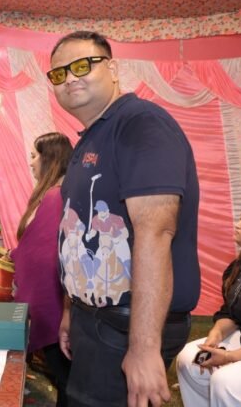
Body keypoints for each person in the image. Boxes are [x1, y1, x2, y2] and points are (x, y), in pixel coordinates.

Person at [49, 31, 200, 407]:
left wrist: (144, 348)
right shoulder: (92, 136)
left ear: (113, 69)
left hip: (127, 324)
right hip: (95, 318)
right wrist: (72, 310)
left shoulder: (140, 123)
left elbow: (157, 231)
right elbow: (74, 234)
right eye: (59, 73)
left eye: (82, 66)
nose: (70, 78)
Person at [176, 201, 241, 406]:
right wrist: (215, 336)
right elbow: (230, 314)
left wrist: (229, 357)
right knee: (190, 360)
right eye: (240, 219)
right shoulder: (238, 267)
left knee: (225, 381)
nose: (237, 225)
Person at [10, 132, 72, 407]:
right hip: (54, 300)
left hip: (53, 302)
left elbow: (44, 255)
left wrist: (18, 258)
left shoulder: (55, 196)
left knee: (66, 377)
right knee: (64, 377)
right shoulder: (57, 193)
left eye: (34, 156)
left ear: (51, 158)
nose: (31, 162)